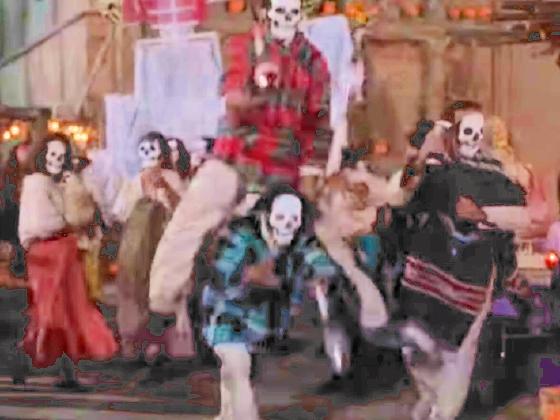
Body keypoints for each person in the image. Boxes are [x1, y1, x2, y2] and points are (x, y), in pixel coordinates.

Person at [18, 133, 118, 389]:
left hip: (60, 251)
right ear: (42, 155)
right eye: (53, 154)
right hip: (51, 252)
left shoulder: (49, 182)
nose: (57, 160)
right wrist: (71, 222)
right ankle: (27, 361)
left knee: (63, 311)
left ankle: (62, 371)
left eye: (62, 156)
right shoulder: (38, 183)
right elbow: (45, 223)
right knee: (54, 311)